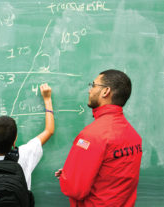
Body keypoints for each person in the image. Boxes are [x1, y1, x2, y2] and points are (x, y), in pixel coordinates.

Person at [55, 69, 142, 207]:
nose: (90, 90)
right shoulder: (134, 136)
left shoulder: (91, 136)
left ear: (105, 91)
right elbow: (111, 175)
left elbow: (75, 189)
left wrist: (68, 177)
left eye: (94, 85)